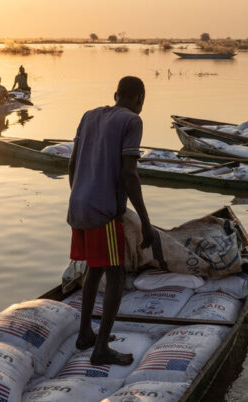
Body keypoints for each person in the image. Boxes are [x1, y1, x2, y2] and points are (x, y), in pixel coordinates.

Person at [68, 76, 154, 365]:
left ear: (116, 94)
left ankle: (85, 334)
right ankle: (101, 348)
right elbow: (129, 174)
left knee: (95, 267)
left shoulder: (89, 115)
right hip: (103, 210)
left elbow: (72, 162)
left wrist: (80, 194)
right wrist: (146, 221)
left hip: (78, 205)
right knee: (116, 274)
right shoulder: (132, 121)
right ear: (140, 98)